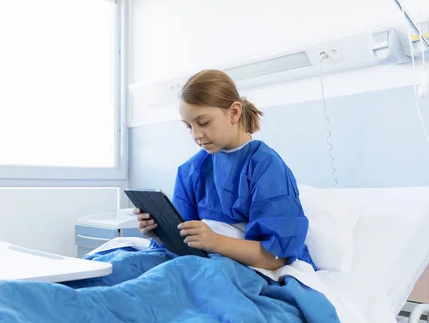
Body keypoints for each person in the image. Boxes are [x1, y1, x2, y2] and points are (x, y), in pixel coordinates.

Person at [134, 69, 315, 271]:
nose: (196, 134)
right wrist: (160, 233)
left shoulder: (266, 167)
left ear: (234, 113)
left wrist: (214, 242)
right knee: (119, 268)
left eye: (203, 122)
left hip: (244, 269)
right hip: (198, 263)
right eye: (189, 126)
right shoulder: (191, 170)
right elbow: (183, 241)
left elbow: (276, 257)